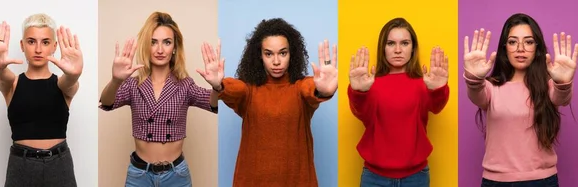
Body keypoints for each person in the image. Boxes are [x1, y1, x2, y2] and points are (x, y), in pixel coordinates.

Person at [199, 18, 337, 186]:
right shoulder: (249, 90)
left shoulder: (300, 87)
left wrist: (323, 90)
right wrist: (219, 85)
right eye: (269, 53)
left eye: (283, 53)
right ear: (260, 56)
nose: (276, 61)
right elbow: (236, 89)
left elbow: (311, 89)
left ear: (292, 54)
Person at [99, 12, 218, 187]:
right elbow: (107, 101)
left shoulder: (185, 85)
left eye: (167, 42)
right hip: (139, 175)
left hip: (176, 175)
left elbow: (212, 103)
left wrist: (217, 87)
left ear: (175, 47)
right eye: (153, 42)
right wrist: (116, 80)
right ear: (146, 46)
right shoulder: (133, 84)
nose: (160, 50)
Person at [463, 13, 576, 186]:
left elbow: (562, 98)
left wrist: (563, 82)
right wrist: (474, 78)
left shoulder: (549, 86)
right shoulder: (491, 88)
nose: (520, 48)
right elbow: (475, 93)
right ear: (504, 47)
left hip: (542, 182)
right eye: (513, 42)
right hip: (496, 182)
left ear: (538, 49)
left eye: (529, 42)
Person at [347, 17, 450, 187]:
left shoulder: (424, 81)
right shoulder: (369, 82)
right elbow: (360, 113)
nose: (397, 50)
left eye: (404, 43)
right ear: (383, 48)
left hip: (416, 177)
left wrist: (438, 89)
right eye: (390, 43)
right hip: (374, 177)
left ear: (412, 48)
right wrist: (358, 92)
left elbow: (437, 107)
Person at [0, 13, 82, 187]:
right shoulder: (12, 85)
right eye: (31, 41)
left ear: (54, 46)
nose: (38, 49)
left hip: (59, 165)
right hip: (21, 166)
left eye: (45, 42)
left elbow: (70, 82)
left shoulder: (63, 84)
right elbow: (3, 75)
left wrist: (74, 74)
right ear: (22, 45)